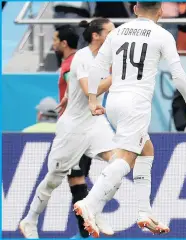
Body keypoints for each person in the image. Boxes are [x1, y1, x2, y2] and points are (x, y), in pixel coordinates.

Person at [73, 2, 186, 237]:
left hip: (114, 101)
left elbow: (99, 66)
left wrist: (92, 99)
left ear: (135, 9)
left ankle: (144, 212)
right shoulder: (161, 35)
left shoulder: (118, 31)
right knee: (126, 156)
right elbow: (178, 74)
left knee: (146, 149)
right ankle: (90, 202)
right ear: (160, 12)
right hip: (136, 104)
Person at [19, 18, 118, 239]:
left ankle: (94, 208)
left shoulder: (107, 56)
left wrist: (66, 95)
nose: (115, 35)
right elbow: (88, 89)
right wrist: (117, 77)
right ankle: (30, 219)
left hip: (95, 122)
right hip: (74, 127)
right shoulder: (82, 57)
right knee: (54, 178)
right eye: (110, 32)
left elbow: (76, 85)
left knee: (119, 164)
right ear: (96, 36)